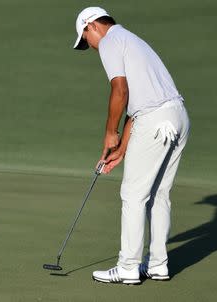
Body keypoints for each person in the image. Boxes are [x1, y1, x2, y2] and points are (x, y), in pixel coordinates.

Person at [73, 7, 190, 285]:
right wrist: (122, 148)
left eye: (85, 38)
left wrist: (109, 133)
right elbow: (136, 108)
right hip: (177, 116)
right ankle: (158, 265)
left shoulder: (111, 41)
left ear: (92, 26)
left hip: (154, 119)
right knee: (159, 194)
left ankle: (127, 267)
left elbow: (121, 91)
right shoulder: (132, 40)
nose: (88, 46)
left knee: (133, 194)